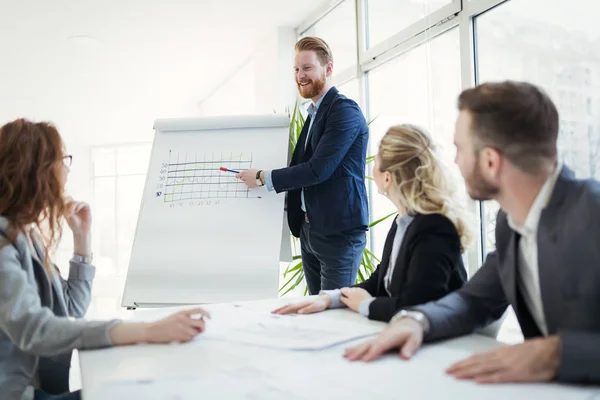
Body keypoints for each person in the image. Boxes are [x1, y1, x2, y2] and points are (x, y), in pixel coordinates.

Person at [344, 81, 600, 385]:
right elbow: (473, 301)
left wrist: (556, 354)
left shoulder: (592, 213)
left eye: (459, 148)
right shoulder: (510, 223)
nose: (454, 161)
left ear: (490, 162)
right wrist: (417, 321)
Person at [0, 119, 210, 400]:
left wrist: (82, 238)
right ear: (36, 170)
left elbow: (73, 305)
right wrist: (146, 331)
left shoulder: (26, 235)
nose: (66, 169)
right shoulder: (4, 242)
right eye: (62, 159)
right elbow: (35, 330)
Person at [272, 125, 470, 322]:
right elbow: (380, 281)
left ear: (387, 178)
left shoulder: (434, 229)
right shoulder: (404, 220)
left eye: (376, 161)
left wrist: (366, 305)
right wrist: (329, 298)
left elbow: (415, 307)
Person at [237, 36, 369, 294]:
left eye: (307, 68)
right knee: (316, 314)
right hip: (311, 232)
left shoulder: (344, 111)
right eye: (296, 69)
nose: (300, 75)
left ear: (328, 69)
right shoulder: (314, 114)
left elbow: (318, 170)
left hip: (338, 234)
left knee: (334, 315)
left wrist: (263, 177)